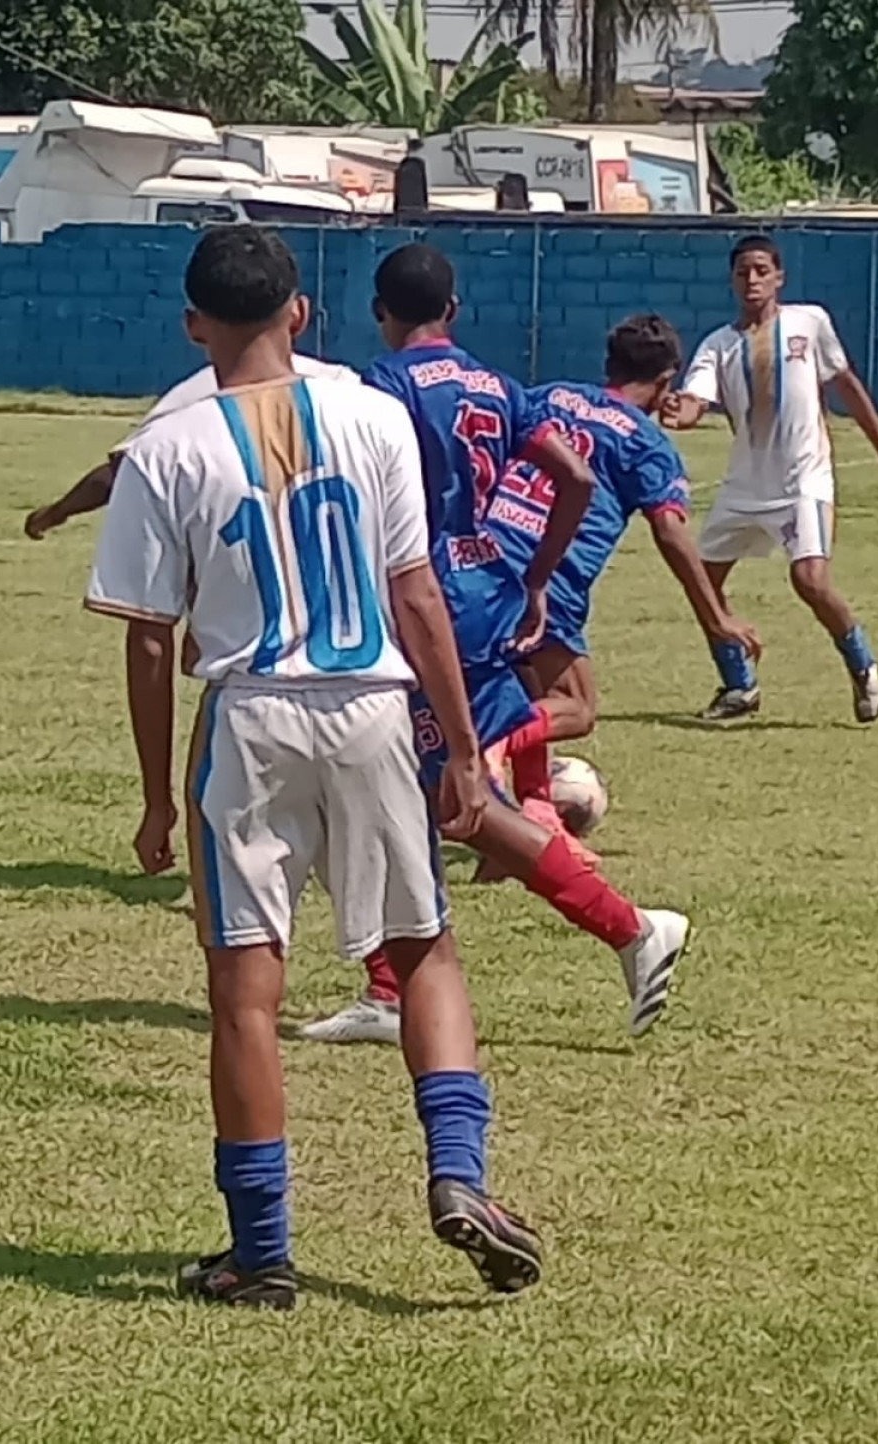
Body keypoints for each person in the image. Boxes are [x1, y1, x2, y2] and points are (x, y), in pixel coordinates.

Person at [87, 225, 543, 1310]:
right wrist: (465, 750)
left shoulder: (169, 445)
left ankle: (262, 1252)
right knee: (422, 949)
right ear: (300, 311)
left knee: (247, 991)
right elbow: (416, 591)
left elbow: (149, 635)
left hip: (250, 715)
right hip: (375, 708)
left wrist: (156, 795)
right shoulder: (373, 415)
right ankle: (458, 1173)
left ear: (195, 326)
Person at [306, 243, 689, 1048]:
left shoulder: (384, 386)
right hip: (486, 592)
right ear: (453, 310)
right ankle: (393, 985)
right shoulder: (500, 386)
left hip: (421, 599)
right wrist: (540, 578)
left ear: (381, 313)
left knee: (399, 794)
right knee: (438, 796)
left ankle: (628, 930)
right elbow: (576, 481)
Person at [485, 315, 764, 798]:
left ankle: (535, 817)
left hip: (481, 556)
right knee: (575, 706)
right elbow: (670, 533)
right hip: (549, 580)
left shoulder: (550, 397)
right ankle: (488, 748)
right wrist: (718, 619)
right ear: (664, 382)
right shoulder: (646, 443)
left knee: (531, 698)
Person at [665, 235, 878, 723]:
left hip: (805, 479)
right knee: (702, 583)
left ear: (779, 276)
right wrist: (681, 411)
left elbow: (847, 385)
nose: (753, 280)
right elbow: (696, 401)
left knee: (809, 579)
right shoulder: (719, 345)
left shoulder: (810, 322)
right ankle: (740, 686)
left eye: (762, 270)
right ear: (732, 280)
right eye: (743, 272)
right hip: (745, 486)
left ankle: (862, 665)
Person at [23, 352, 359, 542]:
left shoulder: (199, 392)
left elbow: (123, 472)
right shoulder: (343, 383)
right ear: (297, 314)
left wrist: (55, 513)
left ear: (196, 326)